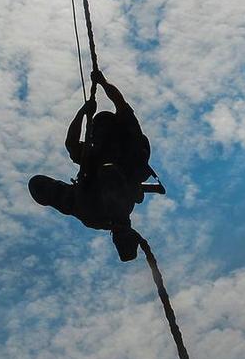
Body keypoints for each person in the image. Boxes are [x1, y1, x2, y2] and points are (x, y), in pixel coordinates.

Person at [28, 70, 164, 261]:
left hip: (102, 200)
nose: (98, 137)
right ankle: (122, 233)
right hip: (101, 201)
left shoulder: (132, 147)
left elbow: (119, 103)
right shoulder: (96, 155)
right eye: (96, 134)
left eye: (102, 132)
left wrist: (102, 84)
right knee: (43, 186)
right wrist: (84, 111)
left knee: (79, 198)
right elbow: (72, 143)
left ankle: (122, 235)